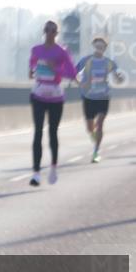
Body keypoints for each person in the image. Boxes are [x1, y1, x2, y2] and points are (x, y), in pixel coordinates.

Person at [28, 21, 78, 186]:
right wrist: (32, 71)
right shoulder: (36, 50)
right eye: (47, 30)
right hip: (39, 94)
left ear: (57, 33)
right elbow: (32, 68)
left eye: (53, 30)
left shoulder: (62, 52)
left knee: (53, 133)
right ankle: (36, 173)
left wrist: (55, 68)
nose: (49, 33)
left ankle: (53, 168)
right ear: (43, 31)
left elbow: (72, 74)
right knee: (38, 133)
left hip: (56, 96)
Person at [76, 37, 124, 163]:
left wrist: (120, 78)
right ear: (93, 46)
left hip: (103, 97)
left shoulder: (109, 62)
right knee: (90, 128)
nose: (99, 49)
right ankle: (95, 137)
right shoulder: (86, 60)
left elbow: (118, 77)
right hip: (88, 97)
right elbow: (74, 73)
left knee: (100, 123)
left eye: (101, 47)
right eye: (97, 47)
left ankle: (96, 151)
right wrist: (81, 82)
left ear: (104, 48)